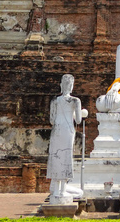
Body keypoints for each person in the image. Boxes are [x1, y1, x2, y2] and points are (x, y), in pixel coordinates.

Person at [47, 74, 82, 202]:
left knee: (56, 157)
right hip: (68, 130)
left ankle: (56, 190)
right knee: (66, 158)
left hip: (57, 129)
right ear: (71, 86)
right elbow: (78, 120)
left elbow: (51, 120)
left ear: (61, 85)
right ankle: (63, 191)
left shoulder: (54, 101)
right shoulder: (75, 101)